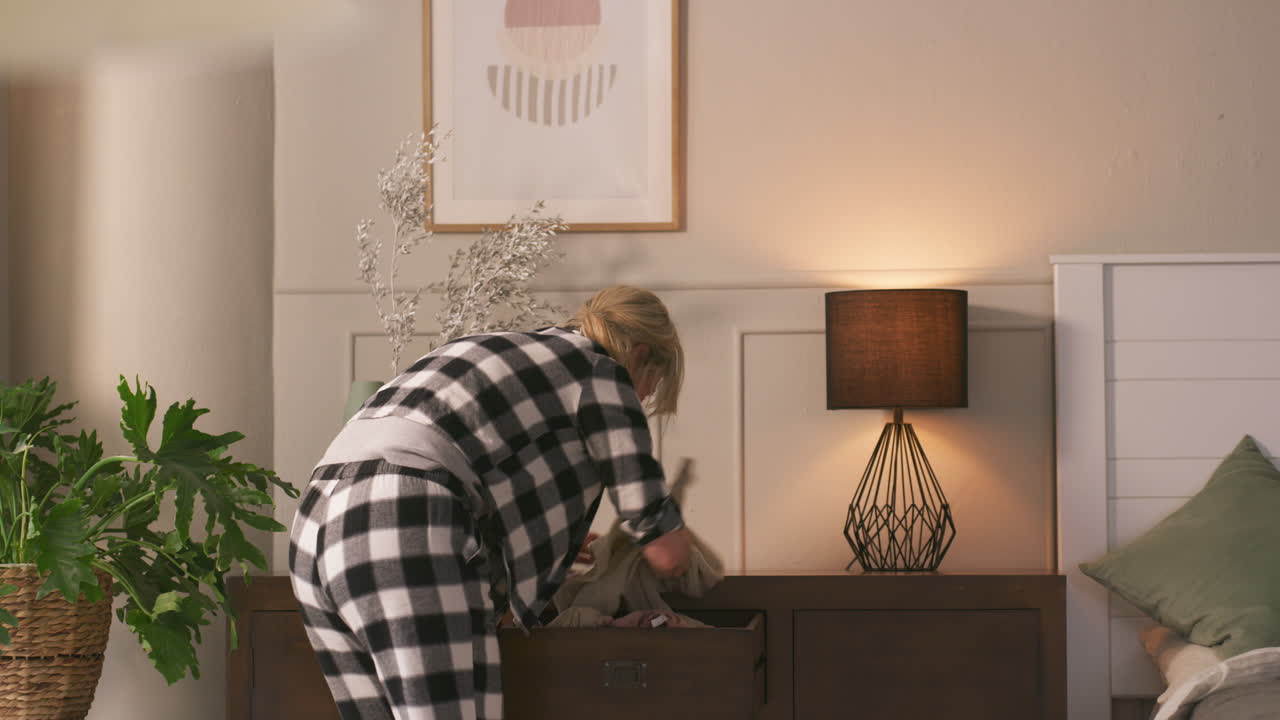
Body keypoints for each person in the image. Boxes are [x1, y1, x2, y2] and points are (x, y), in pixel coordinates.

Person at [288, 285, 693, 720]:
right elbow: (664, 548)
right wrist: (686, 555)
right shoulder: (601, 370)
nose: (646, 398)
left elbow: (485, 463)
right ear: (642, 355)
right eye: (653, 385)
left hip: (316, 521)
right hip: (403, 515)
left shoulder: (494, 347)